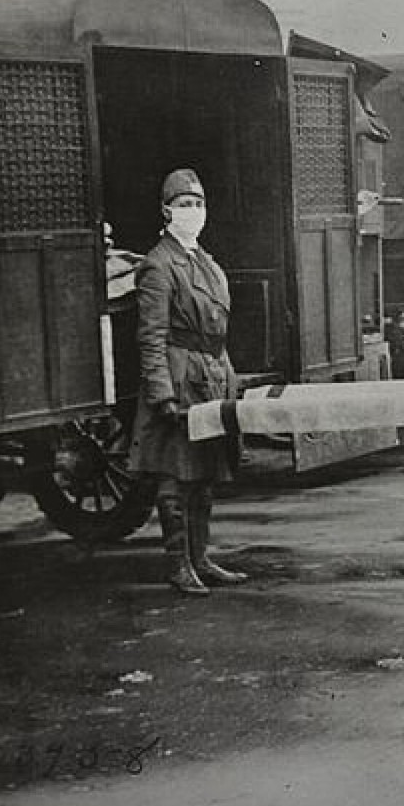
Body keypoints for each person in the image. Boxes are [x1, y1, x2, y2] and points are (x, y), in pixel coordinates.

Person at [128, 168, 247, 595]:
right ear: (166, 211)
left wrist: (229, 381)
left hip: (209, 376)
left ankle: (201, 558)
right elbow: (152, 336)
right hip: (179, 378)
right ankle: (178, 565)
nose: (192, 212)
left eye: (197, 204)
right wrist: (161, 393)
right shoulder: (159, 265)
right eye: (183, 205)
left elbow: (217, 332)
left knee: (205, 474)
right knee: (174, 477)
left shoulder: (207, 264)